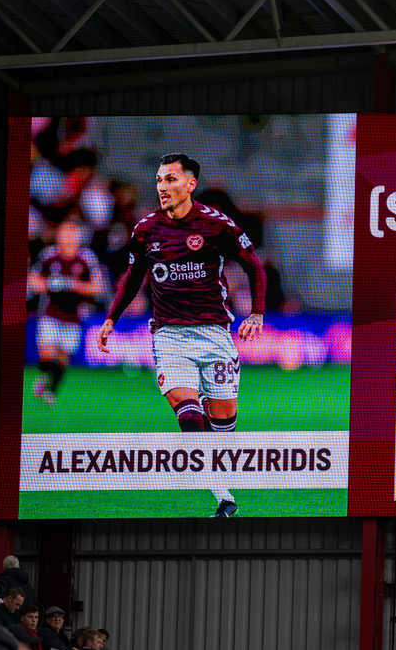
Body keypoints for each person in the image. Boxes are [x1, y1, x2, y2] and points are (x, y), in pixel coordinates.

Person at [96, 153, 268, 518]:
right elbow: (133, 276)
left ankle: (218, 471)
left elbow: (253, 264)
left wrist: (257, 312)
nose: (163, 187)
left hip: (215, 333)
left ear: (190, 184)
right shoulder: (145, 230)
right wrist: (111, 318)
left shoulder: (215, 224)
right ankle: (224, 498)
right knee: (188, 413)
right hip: (169, 335)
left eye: (171, 179)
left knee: (223, 425)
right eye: (159, 180)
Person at [31, 220, 109, 405]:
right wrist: (49, 284)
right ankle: (45, 379)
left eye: (71, 235)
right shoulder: (48, 256)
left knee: (63, 358)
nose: (66, 239)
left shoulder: (87, 258)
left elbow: (97, 288)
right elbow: (34, 281)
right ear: (58, 236)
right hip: (50, 313)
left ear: (77, 237)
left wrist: (71, 284)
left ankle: (51, 390)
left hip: (74, 316)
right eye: (63, 234)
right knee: (47, 354)